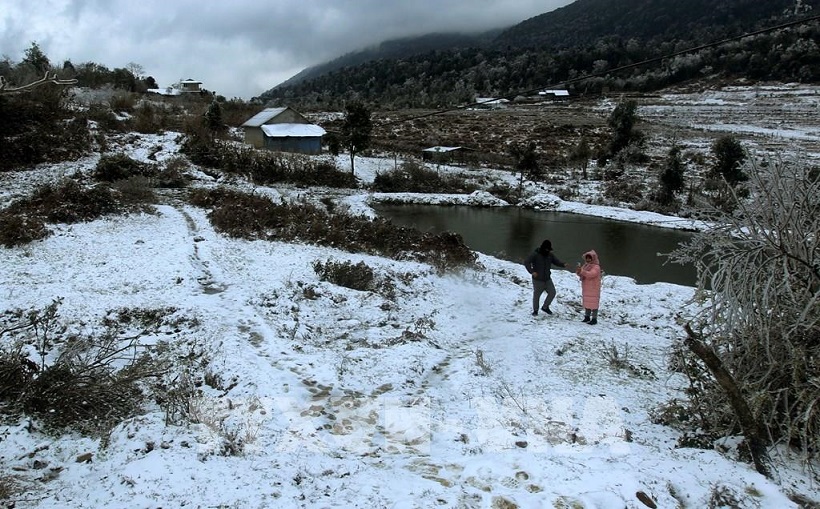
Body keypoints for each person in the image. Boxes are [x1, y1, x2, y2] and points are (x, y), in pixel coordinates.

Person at [523, 239, 568, 316]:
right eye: (547, 249)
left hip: (547, 279)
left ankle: (545, 307)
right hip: (537, 280)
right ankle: (535, 310)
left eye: (549, 249)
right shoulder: (535, 254)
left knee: (552, 292)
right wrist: (532, 272)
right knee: (537, 296)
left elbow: (556, 262)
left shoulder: (550, 255)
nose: (548, 251)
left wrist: (563, 264)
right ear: (543, 248)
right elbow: (526, 262)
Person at [575, 250, 602, 325]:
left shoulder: (596, 267)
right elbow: (582, 274)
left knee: (594, 303)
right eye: (587, 258)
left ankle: (594, 318)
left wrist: (582, 271)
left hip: (593, 288)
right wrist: (579, 271)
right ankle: (587, 317)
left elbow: (591, 274)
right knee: (587, 302)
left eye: (589, 258)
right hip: (586, 287)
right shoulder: (586, 265)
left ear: (593, 258)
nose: (588, 260)